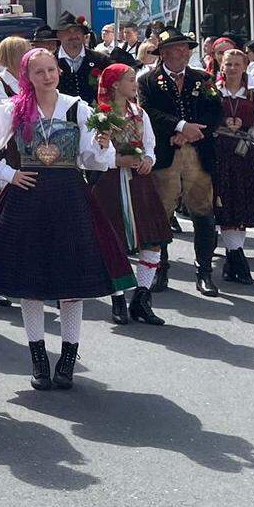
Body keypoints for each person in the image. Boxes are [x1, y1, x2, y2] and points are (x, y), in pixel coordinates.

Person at [0, 48, 133, 389]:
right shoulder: (15, 109)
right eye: (39, 72)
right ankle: (38, 357)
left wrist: (101, 144)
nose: (48, 76)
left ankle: (68, 358)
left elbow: (97, 160)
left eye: (51, 69)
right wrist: (6, 173)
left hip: (69, 196)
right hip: (29, 197)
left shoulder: (77, 107)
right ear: (28, 77)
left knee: (71, 285)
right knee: (32, 283)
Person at [137, 31, 227, 298]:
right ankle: (160, 270)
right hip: (167, 154)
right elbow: (148, 112)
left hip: (198, 153)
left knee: (203, 211)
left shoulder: (203, 78)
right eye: (177, 49)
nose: (183, 53)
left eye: (186, 49)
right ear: (163, 53)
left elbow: (216, 111)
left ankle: (204, 272)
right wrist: (179, 127)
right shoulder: (148, 81)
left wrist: (196, 131)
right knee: (162, 212)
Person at [88, 64, 170, 326]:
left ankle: (142, 299)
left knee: (153, 239)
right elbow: (92, 154)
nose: (135, 84)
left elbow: (150, 144)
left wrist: (148, 158)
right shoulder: (100, 115)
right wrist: (117, 160)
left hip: (139, 182)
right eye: (131, 80)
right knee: (115, 242)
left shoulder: (139, 113)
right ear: (114, 85)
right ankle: (118, 299)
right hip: (110, 183)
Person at [211, 49, 254, 283]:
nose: (231, 69)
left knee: (238, 208)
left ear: (244, 67)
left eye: (236, 65)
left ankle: (234, 261)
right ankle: (237, 260)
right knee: (223, 207)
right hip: (217, 154)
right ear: (221, 66)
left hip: (244, 156)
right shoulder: (211, 92)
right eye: (227, 64)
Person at [50, 12, 110, 102]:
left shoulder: (100, 60)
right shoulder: (51, 61)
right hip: (61, 114)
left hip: (94, 114)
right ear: (58, 35)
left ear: (83, 34)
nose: (73, 36)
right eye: (68, 32)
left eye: (77, 31)